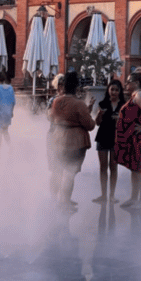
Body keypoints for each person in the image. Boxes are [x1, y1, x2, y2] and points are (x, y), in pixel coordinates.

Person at [48, 71, 96, 211]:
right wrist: (91, 114)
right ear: (76, 87)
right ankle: (65, 202)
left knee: (57, 171)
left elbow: (52, 118)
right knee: (69, 172)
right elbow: (90, 125)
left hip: (57, 138)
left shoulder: (56, 101)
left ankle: (54, 199)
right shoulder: (78, 103)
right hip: (74, 142)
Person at [115, 71, 141, 209]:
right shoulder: (135, 95)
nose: (126, 84)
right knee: (134, 168)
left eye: (128, 81)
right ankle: (133, 198)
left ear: (136, 83)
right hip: (133, 137)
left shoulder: (140, 94)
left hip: (139, 137)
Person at [92, 79, 125, 203]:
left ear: (120, 91)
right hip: (103, 136)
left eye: (117, 90)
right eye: (112, 89)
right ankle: (103, 195)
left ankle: (112, 195)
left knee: (114, 167)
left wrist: (120, 120)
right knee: (103, 167)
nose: (114, 92)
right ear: (108, 90)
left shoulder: (123, 105)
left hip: (117, 138)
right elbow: (97, 123)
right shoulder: (102, 103)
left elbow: (127, 124)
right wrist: (99, 114)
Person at [0, 71, 16, 148]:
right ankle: (10, 147)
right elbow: (13, 102)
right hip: (7, 113)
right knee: (5, 132)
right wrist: (11, 112)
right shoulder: (11, 88)